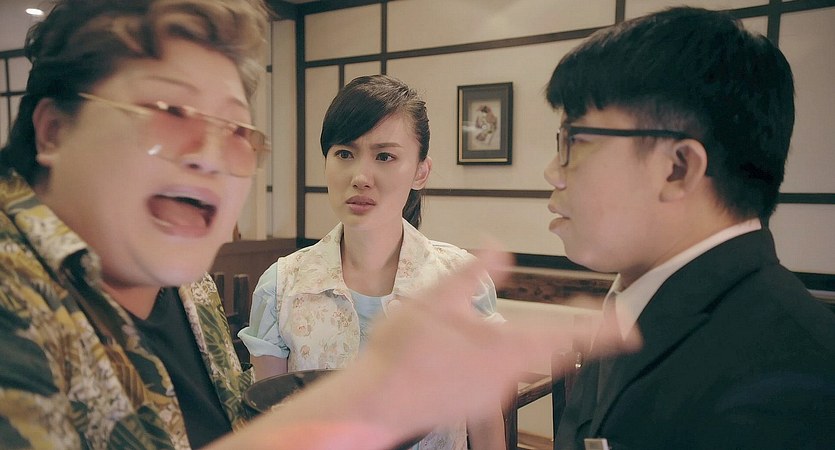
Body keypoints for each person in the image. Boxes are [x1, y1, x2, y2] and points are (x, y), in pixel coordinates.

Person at [0, 1, 635, 449]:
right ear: (53, 130)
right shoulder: (15, 301)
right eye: (168, 112)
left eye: (235, 130)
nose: (209, 155)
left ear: (421, 171)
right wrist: (369, 398)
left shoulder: (190, 290)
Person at [543, 7, 835, 450]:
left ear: (678, 168)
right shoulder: (639, 303)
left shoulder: (793, 381)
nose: (552, 172)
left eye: (575, 140)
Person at [239, 74, 506, 450]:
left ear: (420, 172)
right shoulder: (281, 286)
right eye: (344, 154)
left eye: (385, 156)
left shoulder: (460, 283)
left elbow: (485, 424)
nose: (361, 177)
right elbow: (268, 426)